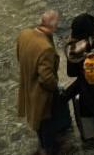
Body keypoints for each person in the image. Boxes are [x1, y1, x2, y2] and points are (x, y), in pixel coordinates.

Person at [17, 10, 62, 155]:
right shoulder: (45, 48)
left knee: (39, 121)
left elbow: (19, 54)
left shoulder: (24, 34)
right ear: (53, 26)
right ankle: (50, 149)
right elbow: (46, 77)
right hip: (41, 94)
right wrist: (56, 86)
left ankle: (43, 145)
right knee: (46, 121)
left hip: (28, 83)